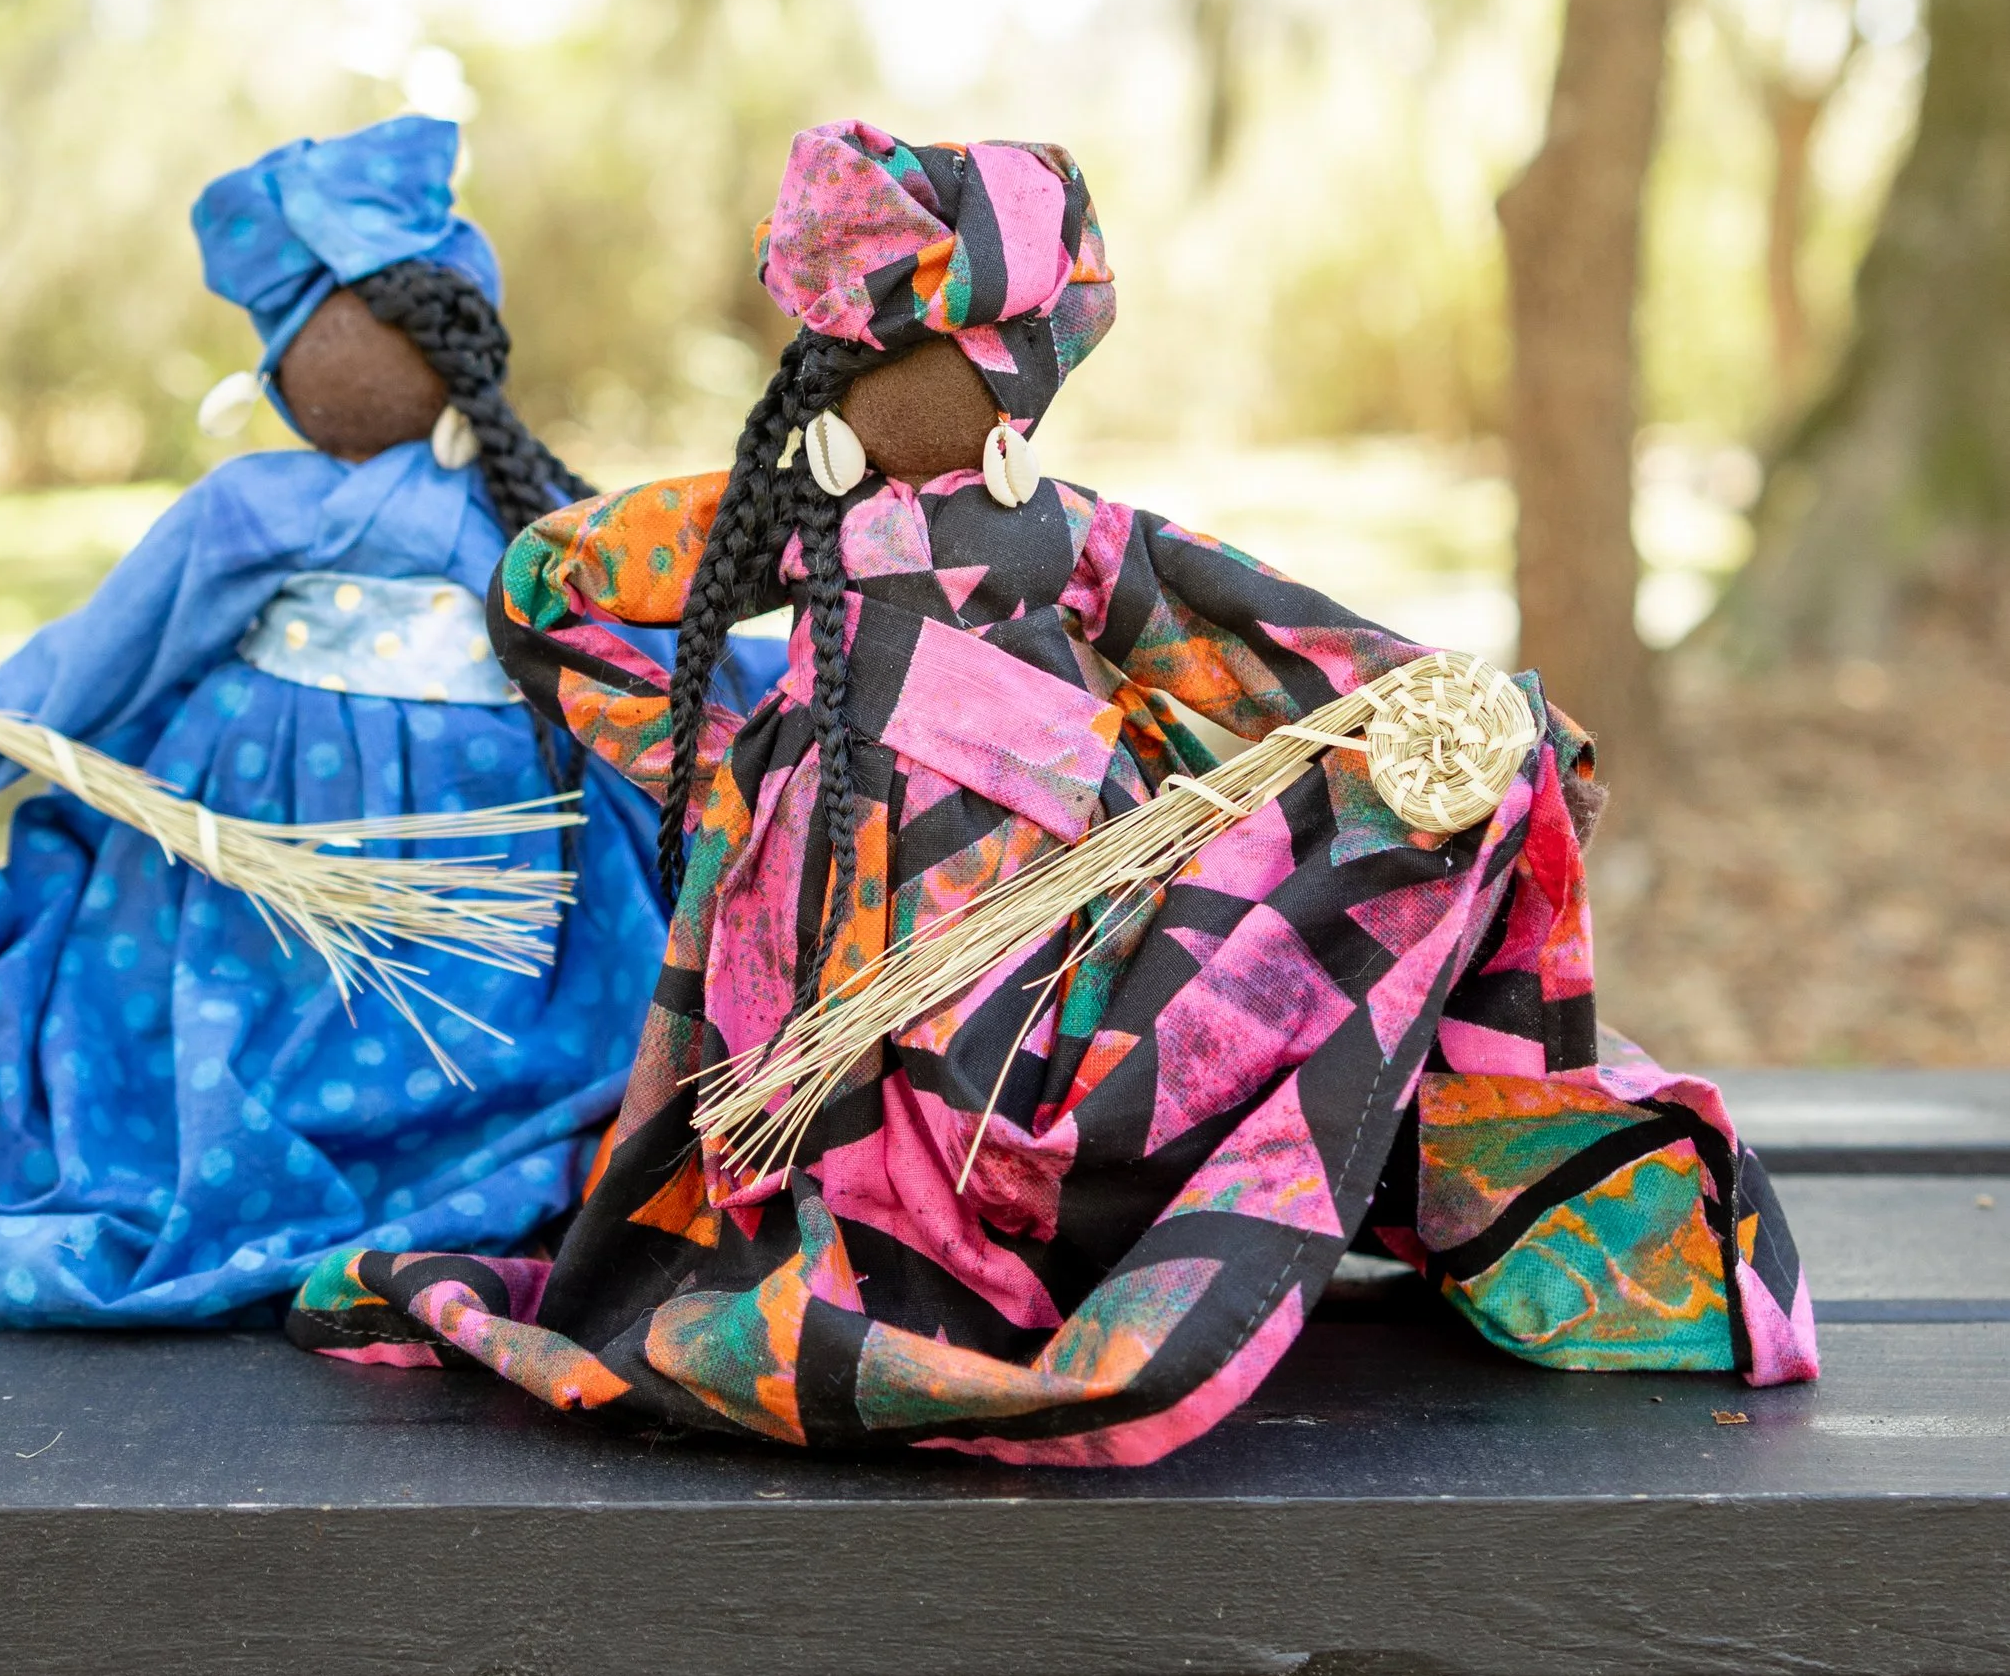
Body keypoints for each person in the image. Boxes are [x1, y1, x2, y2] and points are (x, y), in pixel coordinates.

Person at [292, 120, 1814, 1461]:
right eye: (892, 354)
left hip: (1071, 897)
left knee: (1149, 1016)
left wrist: (1466, 717)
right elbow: (552, 581)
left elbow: (1263, 636)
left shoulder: (1075, 538)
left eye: (944, 356)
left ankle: (1076, 1230)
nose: (919, 387)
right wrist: (717, 775)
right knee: (843, 1112)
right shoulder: (793, 519)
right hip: (825, 906)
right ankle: (889, 1235)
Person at [0, 113, 708, 1326]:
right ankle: (450, 1161)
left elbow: (97, 664)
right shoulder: (529, 514)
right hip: (353, 856)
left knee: (248, 1005)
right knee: (347, 993)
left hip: (366, 839)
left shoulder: (301, 504)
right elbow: (106, 656)